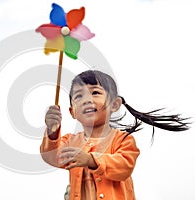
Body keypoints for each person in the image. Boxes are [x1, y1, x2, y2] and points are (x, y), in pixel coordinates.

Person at [40, 70, 190, 200]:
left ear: (115, 105)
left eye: (95, 92)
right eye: (79, 96)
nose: (86, 100)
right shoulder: (70, 141)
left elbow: (124, 166)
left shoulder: (123, 140)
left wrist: (91, 159)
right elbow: (53, 156)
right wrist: (52, 132)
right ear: (72, 112)